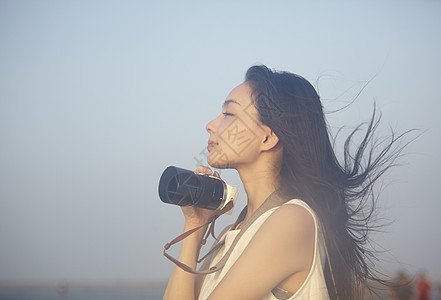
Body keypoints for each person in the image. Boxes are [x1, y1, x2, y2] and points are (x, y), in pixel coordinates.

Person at [163, 65, 410, 300]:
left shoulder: (291, 220)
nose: (211, 125)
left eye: (228, 113)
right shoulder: (233, 234)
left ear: (268, 137)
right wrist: (193, 227)